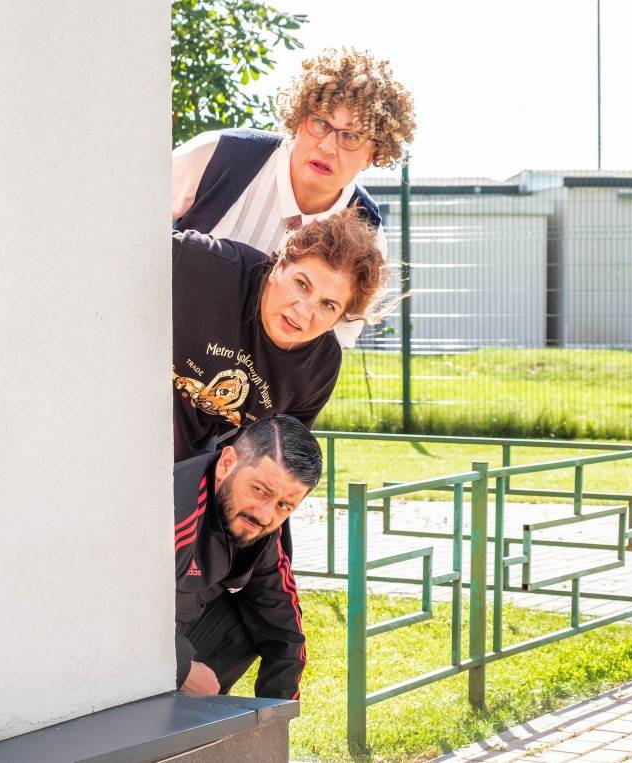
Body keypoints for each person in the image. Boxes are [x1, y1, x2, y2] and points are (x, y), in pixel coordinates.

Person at [172, 47, 416, 348]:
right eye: (320, 123)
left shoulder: (367, 231)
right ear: (299, 119)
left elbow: (331, 345)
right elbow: (130, 220)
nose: (328, 147)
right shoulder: (220, 155)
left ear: (373, 155)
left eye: (351, 136)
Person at [172, 209, 387, 464]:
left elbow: (272, 461)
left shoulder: (318, 369)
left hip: (185, 469)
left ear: (338, 320)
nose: (303, 311)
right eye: (302, 284)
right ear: (278, 266)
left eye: (328, 305)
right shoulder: (203, 263)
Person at [174, 415, 322, 700]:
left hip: (180, 632)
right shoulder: (172, 511)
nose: (265, 515)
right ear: (227, 463)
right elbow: (112, 613)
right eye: (259, 490)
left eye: (284, 505)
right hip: (121, 651)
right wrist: (180, 670)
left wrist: (277, 716)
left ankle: (198, 715)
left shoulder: (262, 528)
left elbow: (285, 628)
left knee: (260, 621)